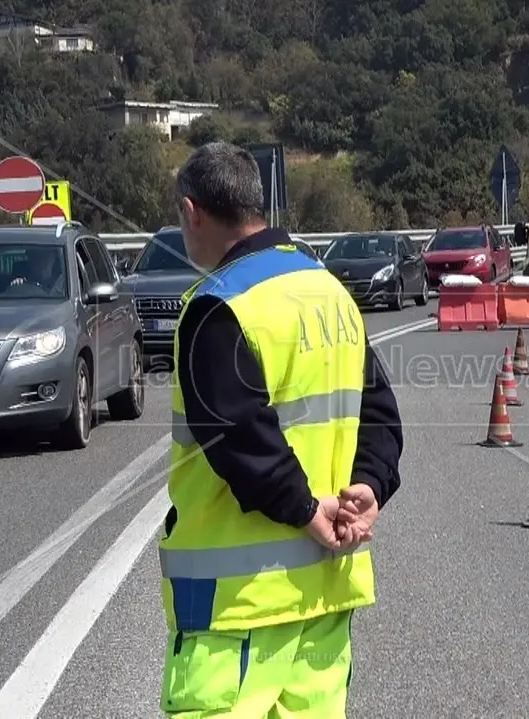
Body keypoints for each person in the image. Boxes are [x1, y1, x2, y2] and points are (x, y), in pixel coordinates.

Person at [158, 141, 403, 718]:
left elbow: (239, 433)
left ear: (193, 212)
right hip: (325, 592)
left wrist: (304, 510)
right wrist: (369, 487)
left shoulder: (218, 304)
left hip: (237, 607)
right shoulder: (329, 290)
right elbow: (380, 412)